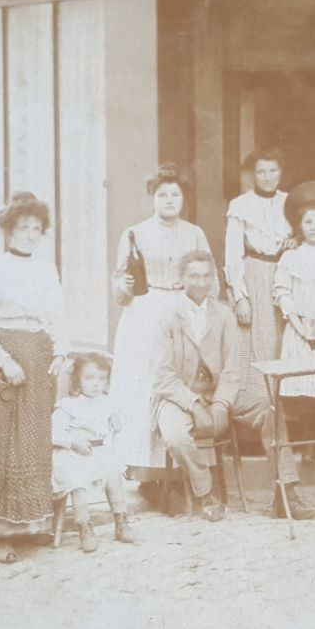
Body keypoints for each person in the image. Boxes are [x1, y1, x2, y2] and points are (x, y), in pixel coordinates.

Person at [154, 250, 315, 521]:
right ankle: (206, 492)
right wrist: (194, 404)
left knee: (268, 408)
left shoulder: (223, 315)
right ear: (182, 278)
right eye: (193, 276)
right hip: (179, 397)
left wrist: (220, 403)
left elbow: (232, 369)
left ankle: (286, 493)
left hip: (218, 393)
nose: (200, 282)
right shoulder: (168, 316)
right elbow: (162, 377)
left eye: (206, 276)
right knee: (175, 437)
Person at [0, 192, 66, 565]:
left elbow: (57, 315)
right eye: (24, 228)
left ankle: (30, 526)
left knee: (33, 443)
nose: (31, 235)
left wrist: (62, 352)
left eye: (37, 229)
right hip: (7, 360)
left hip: (40, 359)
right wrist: (4, 361)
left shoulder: (47, 269)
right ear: (9, 231)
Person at [109, 163, 212, 483]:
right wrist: (124, 287)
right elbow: (119, 287)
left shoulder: (194, 233)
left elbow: (210, 277)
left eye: (175, 194)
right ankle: (144, 472)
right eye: (162, 194)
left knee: (179, 381)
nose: (169, 200)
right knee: (143, 386)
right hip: (144, 313)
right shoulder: (134, 233)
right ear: (152, 198)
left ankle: (180, 471)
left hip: (181, 310)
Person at [270, 183, 315, 466]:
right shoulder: (290, 257)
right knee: (304, 393)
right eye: (308, 222)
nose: (313, 227)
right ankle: (310, 444)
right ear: (300, 226)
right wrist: (299, 324)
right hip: (298, 329)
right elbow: (281, 291)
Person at [224, 149, 295, 420]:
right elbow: (232, 253)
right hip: (255, 276)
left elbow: (307, 230)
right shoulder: (241, 205)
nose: (268, 177)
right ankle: (261, 413)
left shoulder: (290, 202)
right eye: (262, 171)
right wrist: (240, 295)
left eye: (273, 171)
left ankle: (288, 417)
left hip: (286, 274)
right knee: (259, 342)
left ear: (281, 172)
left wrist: (295, 241)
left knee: (286, 342)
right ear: (253, 174)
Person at [51, 354, 137, 552]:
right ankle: (84, 526)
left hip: (99, 453)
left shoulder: (106, 402)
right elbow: (53, 433)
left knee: (114, 475)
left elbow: (111, 420)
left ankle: (121, 520)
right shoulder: (68, 405)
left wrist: (115, 419)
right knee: (78, 482)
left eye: (101, 379)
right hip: (75, 453)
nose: (96, 384)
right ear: (77, 380)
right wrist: (73, 443)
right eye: (90, 378)